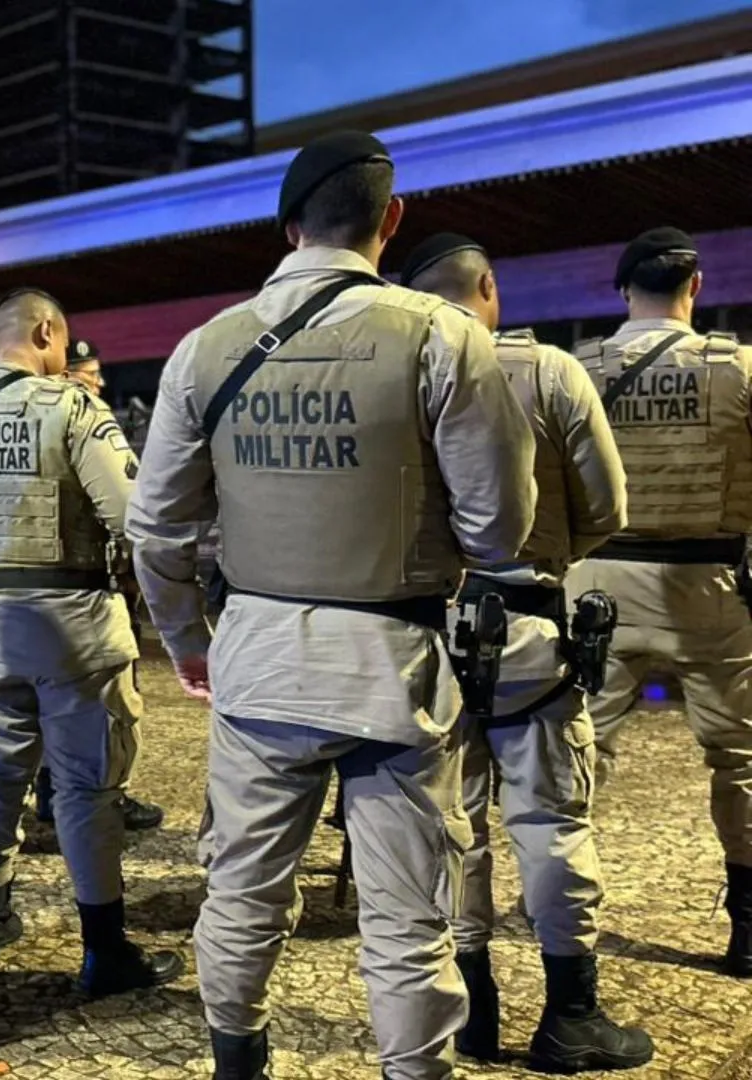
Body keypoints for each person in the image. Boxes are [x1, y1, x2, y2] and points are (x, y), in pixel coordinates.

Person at [127, 131, 537, 1080]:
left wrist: (190, 643)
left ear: (287, 226)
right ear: (391, 220)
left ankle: (238, 1060)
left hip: (259, 653)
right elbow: (500, 530)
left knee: (240, 891)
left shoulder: (206, 348)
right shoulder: (440, 335)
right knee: (406, 917)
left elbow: (155, 531)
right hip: (395, 664)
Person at [398, 232, 652, 1070]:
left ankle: (471, 1013)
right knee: (548, 821)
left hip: (424, 634)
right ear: (488, 288)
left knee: (452, 825)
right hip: (529, 628)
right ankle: (569, 1017)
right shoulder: (549, 371)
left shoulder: (391, 372)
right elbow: (608, 506)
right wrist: (546, 556)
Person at [0, 290, 182, 1000]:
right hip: (70, 623)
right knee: (86, 787)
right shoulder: (73, 410)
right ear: (45, 332)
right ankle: (104, 950)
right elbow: (134, 519)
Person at [567, 226, 752, 979]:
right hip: (707, 590)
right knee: (741, 762)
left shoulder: (574, 369)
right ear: (695, 288)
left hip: (594, 591)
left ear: (621, 293)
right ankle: (749, 931)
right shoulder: (738, 369)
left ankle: (567, 927)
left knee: (576, 759)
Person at [46, 338, 167, 834]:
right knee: (103, 704)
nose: (99, 383)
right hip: (90, 585)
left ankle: (50, 793)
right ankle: (98, 800)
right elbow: (126, 511)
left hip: (44, 588)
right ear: (70, 375)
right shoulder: (83, 419)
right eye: (90, 373)